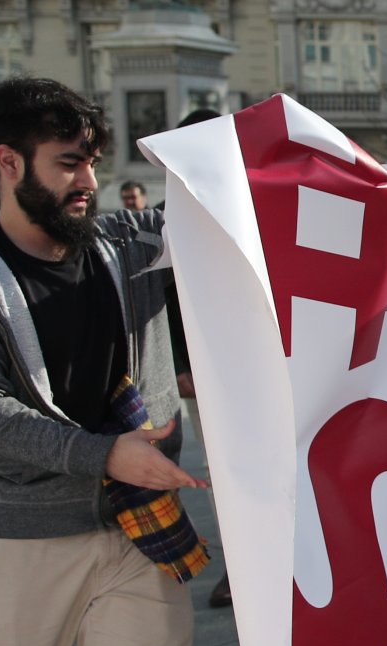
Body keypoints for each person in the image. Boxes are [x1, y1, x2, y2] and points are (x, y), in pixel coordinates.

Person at [0, 77, 209, 646]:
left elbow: (232, 215)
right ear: (8, 161)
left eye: (91, 163)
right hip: (21, 545)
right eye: (69, 164)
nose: (89, 182)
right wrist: (104, 454)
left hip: (141, 530)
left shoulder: (130, 241)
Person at [158, 106, 235, 608]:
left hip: (262, 363)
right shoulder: (171, 215)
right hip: (205, 371)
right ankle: (241, 566)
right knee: (223, 472)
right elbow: (166, 296)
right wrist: (182, 366)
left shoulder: (247, 201)